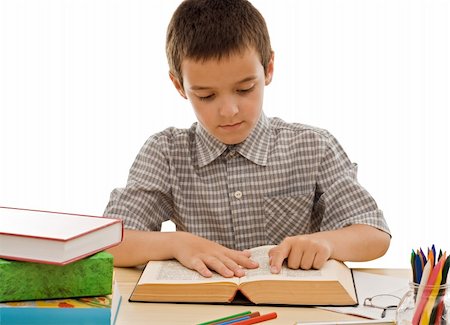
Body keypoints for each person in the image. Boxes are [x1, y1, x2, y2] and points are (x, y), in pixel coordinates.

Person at [105, 0, 390, 278]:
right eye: (206, 96)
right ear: (179, 85)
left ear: (268, 69)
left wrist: (327, 243)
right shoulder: (166, 152)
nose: (229, 111)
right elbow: (108, 242)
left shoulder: (313, 146)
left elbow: (374, 233)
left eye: (244, 89)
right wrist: (176, 243)